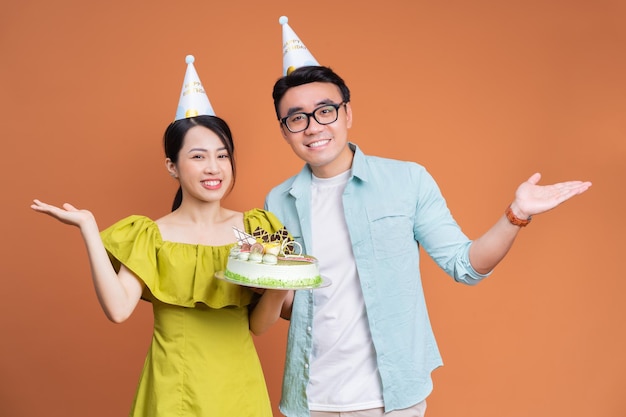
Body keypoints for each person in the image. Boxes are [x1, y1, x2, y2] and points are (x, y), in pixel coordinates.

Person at [264, 65, 592, 417]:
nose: (313, 127)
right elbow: (294, 308)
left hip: (392, 399)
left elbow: (465, 265)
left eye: (325, 111)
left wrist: (516, 214)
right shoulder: (278, 202)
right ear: (285, 132)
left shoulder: (408, 181)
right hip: (310, 400)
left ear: (347, 113)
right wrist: (261, 285)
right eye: (297, 118)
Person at [31, 114, 290, 416]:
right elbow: (118, 310)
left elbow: (258, 326)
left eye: (222, 155)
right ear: (172, 166)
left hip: (240, 389)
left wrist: (277, 286)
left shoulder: (257, 228)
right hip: (173, 389)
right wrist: (88, 227)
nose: (214, 167)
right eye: (198, 156)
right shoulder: (151, 236)